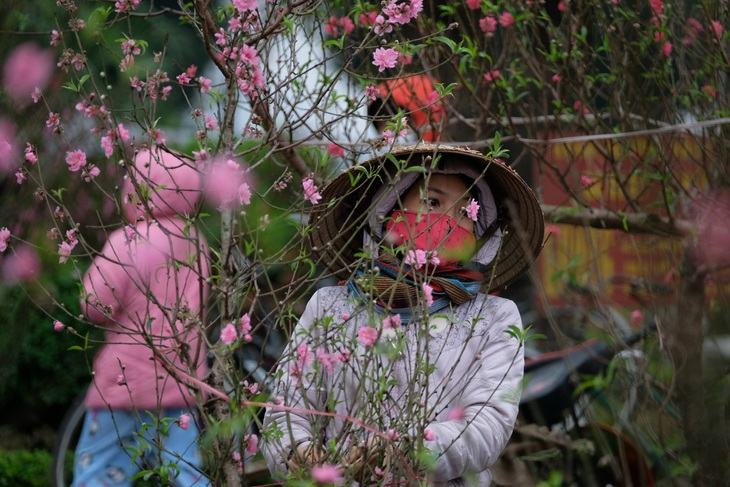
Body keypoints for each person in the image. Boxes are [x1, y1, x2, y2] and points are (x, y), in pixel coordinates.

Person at [262, 143, 544, 485]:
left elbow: (488, 426)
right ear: (389, 211)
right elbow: (286, 411)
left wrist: (407, 449)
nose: (445, 222)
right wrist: (297, 452)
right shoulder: (329, 307)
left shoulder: (494, 319)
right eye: (432, 202)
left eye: (464, 214)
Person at [73, 148, 211, 486]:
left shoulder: (128, 240)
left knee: (99, 472)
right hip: (180, 382)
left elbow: (94, 303)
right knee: (185, 471)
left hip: (126, 384)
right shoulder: (196, 242)